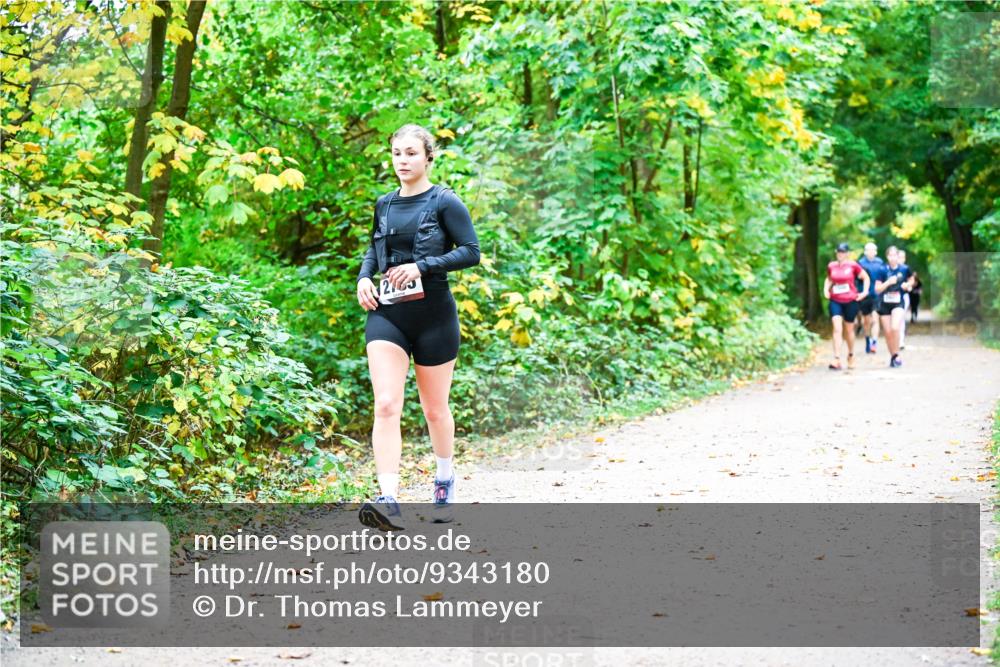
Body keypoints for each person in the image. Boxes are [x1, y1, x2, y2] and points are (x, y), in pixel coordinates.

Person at [355, 123, 480, 529]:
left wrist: (421, 267)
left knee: (434, 409)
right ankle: (388, 498)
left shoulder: (446, 202)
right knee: (387, 404)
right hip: (388, 315)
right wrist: (363, 278)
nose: (402, 161)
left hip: (435, 318)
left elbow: (471, 252)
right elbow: (374, 249)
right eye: (396, 153)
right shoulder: (385, 204)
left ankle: (444, 478)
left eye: (411, 153)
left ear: (428, 156)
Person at [822, 242, 870, 370]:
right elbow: (829, 279)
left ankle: (851, 355)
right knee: (837, 327)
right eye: (838, 252)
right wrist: (826, 289)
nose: (840, 254)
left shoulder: (853, 265)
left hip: (850, 300)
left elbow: (865, 277)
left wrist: (864, 292)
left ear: (848, 253)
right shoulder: (831, 266)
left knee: (849, 329)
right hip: (835, 300)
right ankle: (837, 358)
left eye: (843, 252)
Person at [874, 245, 914, 368]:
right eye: (890, 255)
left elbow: (912, 280)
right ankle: (893, 356)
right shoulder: (881, 270)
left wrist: (908, 285)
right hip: (884, 304)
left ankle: (897, 355)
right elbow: (877, 289)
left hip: (898, 302)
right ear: (887, 257)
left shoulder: (904, 269)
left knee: (895, 327)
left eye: (895, 255)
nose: (892, 258)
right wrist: (888, 282)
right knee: (887, 332)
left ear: (898, 256)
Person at [856, 242, 884, 355]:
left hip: (876, 295)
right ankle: (867, 339)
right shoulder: (860, 263)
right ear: (865, 251)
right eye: (868, 250)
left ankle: (874, 343)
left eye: (873, 250)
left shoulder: (880, 263)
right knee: (866, 321)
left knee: (875, 319)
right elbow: (856, 279)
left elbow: (884, 277)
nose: (870, 252)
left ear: (876, 251)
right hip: (865, 295)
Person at [897, 249, 911, 349]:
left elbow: (911, 279)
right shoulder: (888, 268)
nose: (902, 259)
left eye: (903, 257)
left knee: (901, 318)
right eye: (900, 257)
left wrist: (909, 285)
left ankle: (901, 341)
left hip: (904, 296)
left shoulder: (906, 268)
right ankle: (894, 339)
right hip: (891, 297)